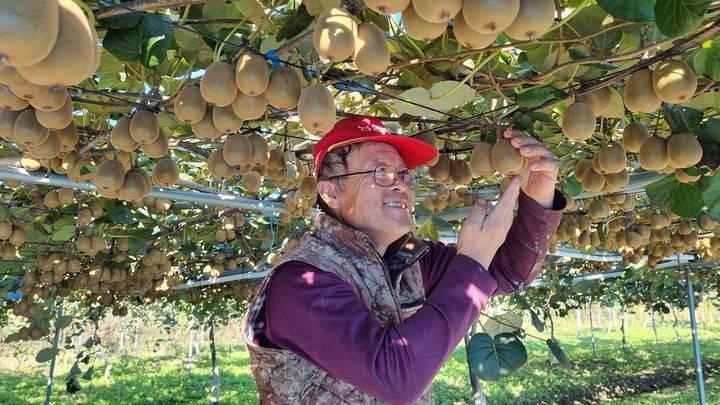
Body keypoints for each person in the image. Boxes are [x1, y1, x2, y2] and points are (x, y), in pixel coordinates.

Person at [242, 116, 565, 404]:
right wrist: (474, 259)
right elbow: (396, 380)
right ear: (331, 192)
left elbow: (507, 274)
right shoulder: (301, 280)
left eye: (405, 174)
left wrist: (539, 193)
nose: (400, 183)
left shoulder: (410, 259)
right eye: (381, 172)